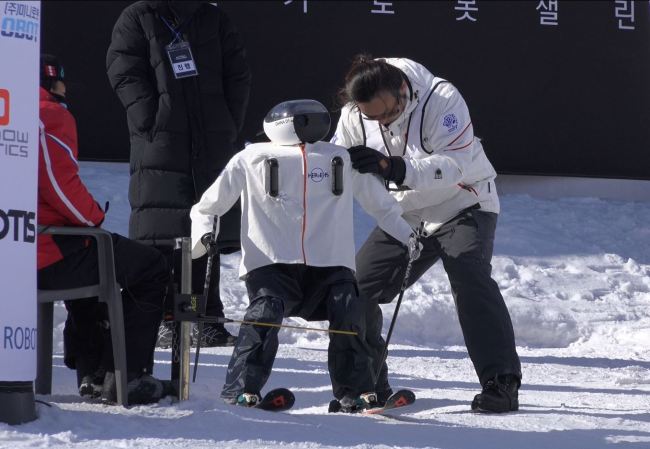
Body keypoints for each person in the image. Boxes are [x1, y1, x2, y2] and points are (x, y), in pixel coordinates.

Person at [191, 99, 418, 412]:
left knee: (353, 307)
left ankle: (362, 391)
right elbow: (207, 206)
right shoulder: (251, 158)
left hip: (329, 264)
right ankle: (240, 390)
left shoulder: (339, 158)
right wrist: (203, 237)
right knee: (265, 310)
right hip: (272, 262)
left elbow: (381, 205)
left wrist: (408, 235)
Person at [332, 55, 522, 413]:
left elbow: (456, 165)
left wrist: (393, 167)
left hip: (464, 201)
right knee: (355, 288)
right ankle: (367, 384)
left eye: (388, 112)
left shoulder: (442, 97)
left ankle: (502, 383)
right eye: (373, 117)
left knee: (469, 275)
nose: (382, 121)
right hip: (405, 213)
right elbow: (337, 164)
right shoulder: (354, 116)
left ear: (402, 88)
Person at [106, 0, 252, 347]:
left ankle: (206, 319)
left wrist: (227, 123)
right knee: (164, 233)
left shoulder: (213, 16)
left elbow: (239, 72)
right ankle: (165, 319)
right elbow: (122, 69)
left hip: (212, 140)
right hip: (162, 141)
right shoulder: (139, 16)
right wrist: (152, 118)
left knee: (206, 233)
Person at [37, 54, 174, 405]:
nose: (66, 88)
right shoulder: (48, 113)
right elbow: (58, 183)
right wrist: (93, 217)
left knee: (94, 256)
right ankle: (126, 377)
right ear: (52, 81)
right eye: (62, 81)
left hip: (23, 246)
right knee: (150, 267)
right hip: (41, 251)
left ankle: (94, 374)